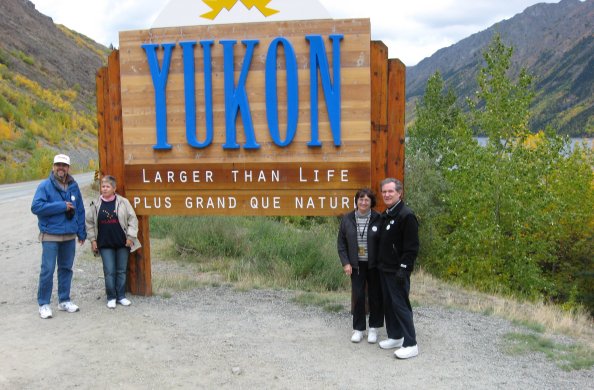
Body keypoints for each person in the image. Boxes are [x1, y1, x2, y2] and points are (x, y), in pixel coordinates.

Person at [31, 154, 86, 319]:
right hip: (50, 235)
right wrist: (61, 206)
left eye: (64, 165)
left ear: (68, 168)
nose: (61, 168)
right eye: (58, 165)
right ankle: (44, 304)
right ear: (53, 166)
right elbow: (36, 207)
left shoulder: (74, 186)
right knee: (47, 270)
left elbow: (80, 210)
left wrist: (81, 232)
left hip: (69, 235)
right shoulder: (44, 186)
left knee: (66, 269)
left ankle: (64, 300)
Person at [376, 178, 420, 359]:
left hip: (397, 271)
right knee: (389, 304)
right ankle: (395, 336)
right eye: (384, 192)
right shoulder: (386, 214)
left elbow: (412, 247)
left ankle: (411, 343)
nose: (386, 194)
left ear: (399, 193)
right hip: (384, 268)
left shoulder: (406, 215)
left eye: (390, 191)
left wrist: (404, 268)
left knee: (401, 305)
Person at [86, 175, 140, 309]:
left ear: (114, 188)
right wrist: (93, 240)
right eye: (102, 186)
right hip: (104, 244)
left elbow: (133, 220)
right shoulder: (95, 203)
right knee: (109, 271)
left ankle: (121, 296)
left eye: (107, 186)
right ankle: (111, 297)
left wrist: (130, 237)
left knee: (121, 270)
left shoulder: (123, 202)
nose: (104, 189)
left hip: (123, 242)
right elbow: (89, 223)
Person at [337, 188, 383, 343]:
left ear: (371, 202)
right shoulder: (347, 219)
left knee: (375, 296)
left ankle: (374, 328)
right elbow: (341, 244)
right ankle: (358, 329)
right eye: (361, 199)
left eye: (367, 200)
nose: (363, 202)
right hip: (356, 265)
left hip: (374, 265)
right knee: (358, 296)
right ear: (356, 201)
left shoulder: (378, 218)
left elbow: (384, 243)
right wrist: (346, 263)